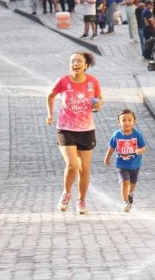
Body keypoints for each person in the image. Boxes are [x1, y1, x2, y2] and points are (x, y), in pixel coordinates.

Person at [46, 51, 102, 215]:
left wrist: (98, 105)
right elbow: (50, 96)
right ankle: (66, 193)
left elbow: (98, 99)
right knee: (73, 164)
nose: (75, 64)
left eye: (79, 61)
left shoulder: (92, 82)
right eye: (72, 61)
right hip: (66, 128)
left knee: (84, 169)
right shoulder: (63, 81)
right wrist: (50, 114)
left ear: (86, 65)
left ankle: (82, 201)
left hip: (86, 129)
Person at [104, 109, 147, 212]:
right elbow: (111, 147)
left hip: (135, 164)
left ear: (134, 121)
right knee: (125, 182)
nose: (127, 122)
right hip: (121, 164)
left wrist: (140, 151)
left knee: (133, 182)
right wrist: (107, 158)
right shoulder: (117, 135)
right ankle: (125, 202)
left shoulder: (137, 134)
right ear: (119, 122)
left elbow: (144, 146)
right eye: (123, 120)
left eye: (129, 120)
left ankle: (130, 194)